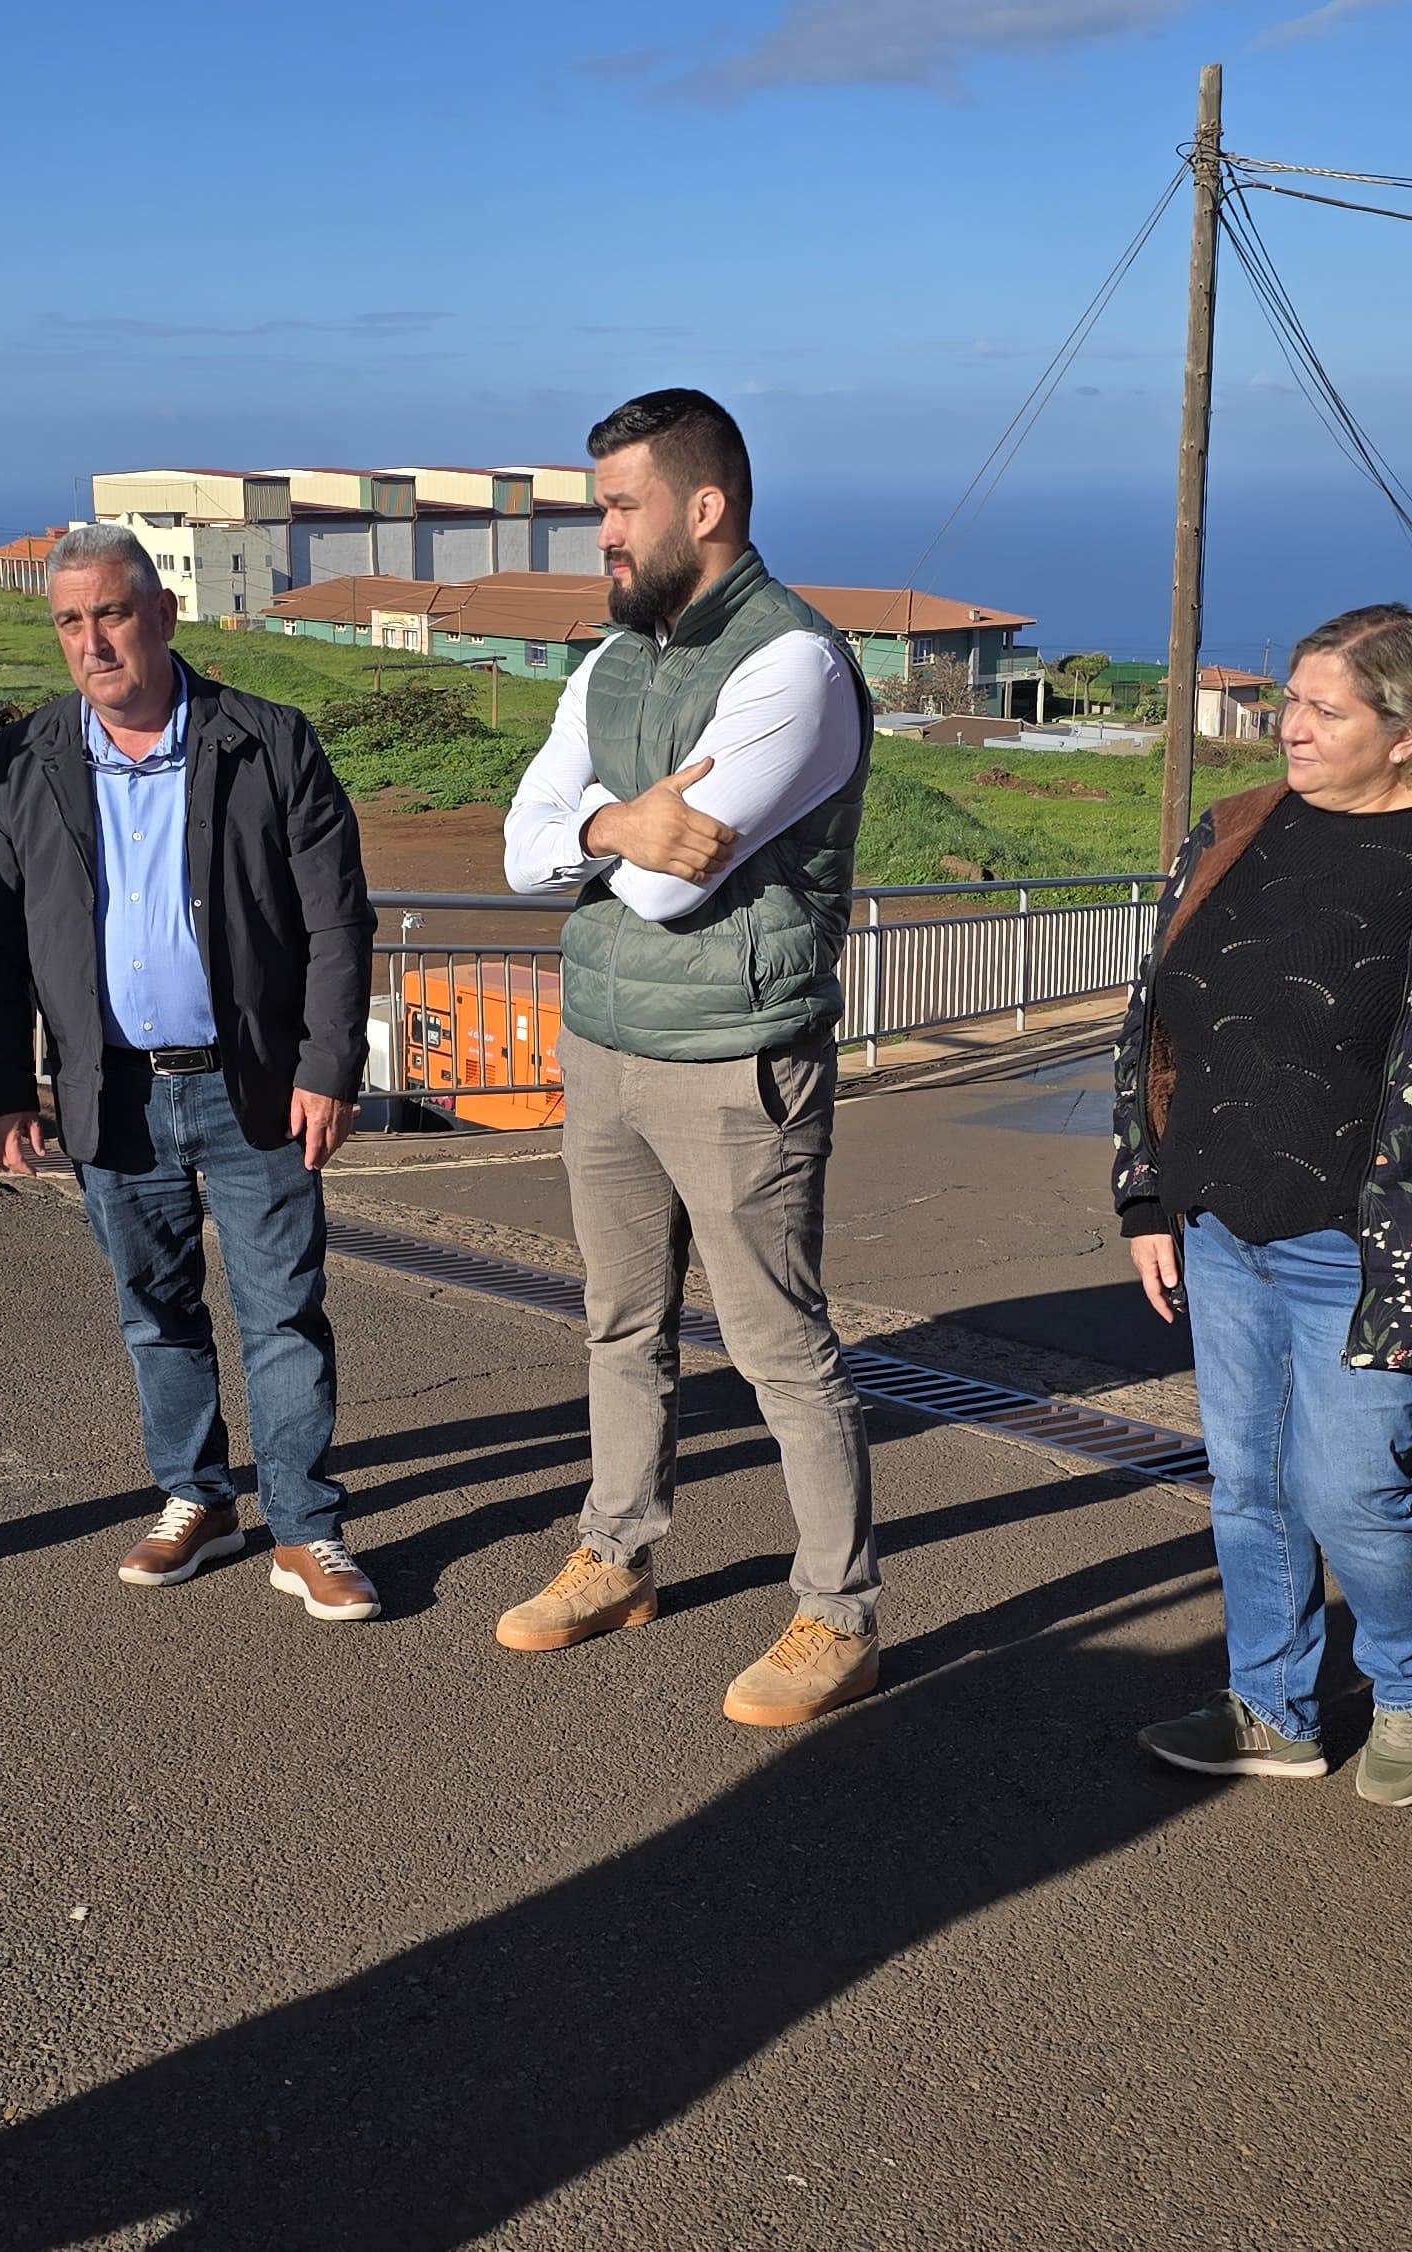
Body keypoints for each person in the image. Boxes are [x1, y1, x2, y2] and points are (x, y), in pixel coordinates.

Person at [1108, 603, 1412, 1807]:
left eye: (1327, 709)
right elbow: (1153, 1020)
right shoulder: (1233, 832)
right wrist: (1145, 1193)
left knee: (1349, 1488)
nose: (1292, 726)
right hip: (1222, 1224)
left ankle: (1411, 1680)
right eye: (1292, 699)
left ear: (1407, 728)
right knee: (1248, 1488)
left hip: (1376, 1248)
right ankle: (1270, 1707)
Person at [495, 387, 883, 1728]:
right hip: (604, 1038)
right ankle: (617, 1551)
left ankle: (839, 1614)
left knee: (780, 1348)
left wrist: (588, 834)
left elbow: (672, 887)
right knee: (620, 1321)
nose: (597, 532)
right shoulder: (612, 664)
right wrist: (617, 821)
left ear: (702, 508)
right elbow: (523, 842)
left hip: (735, 1058)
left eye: (618, 506)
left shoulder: (795, 665)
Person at [0, 524, 380, 1622]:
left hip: (257, 1087)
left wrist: (331, 1064)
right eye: (69, 620)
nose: (93, 640)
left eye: (111, 612)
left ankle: (304, 1525)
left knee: (281, 1311)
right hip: (111, 1089)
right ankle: (196, 1497)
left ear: (162, 616)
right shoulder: (24, 762)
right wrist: (3, 1086)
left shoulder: (268, 743)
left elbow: (338, 920)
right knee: (154, 1309)